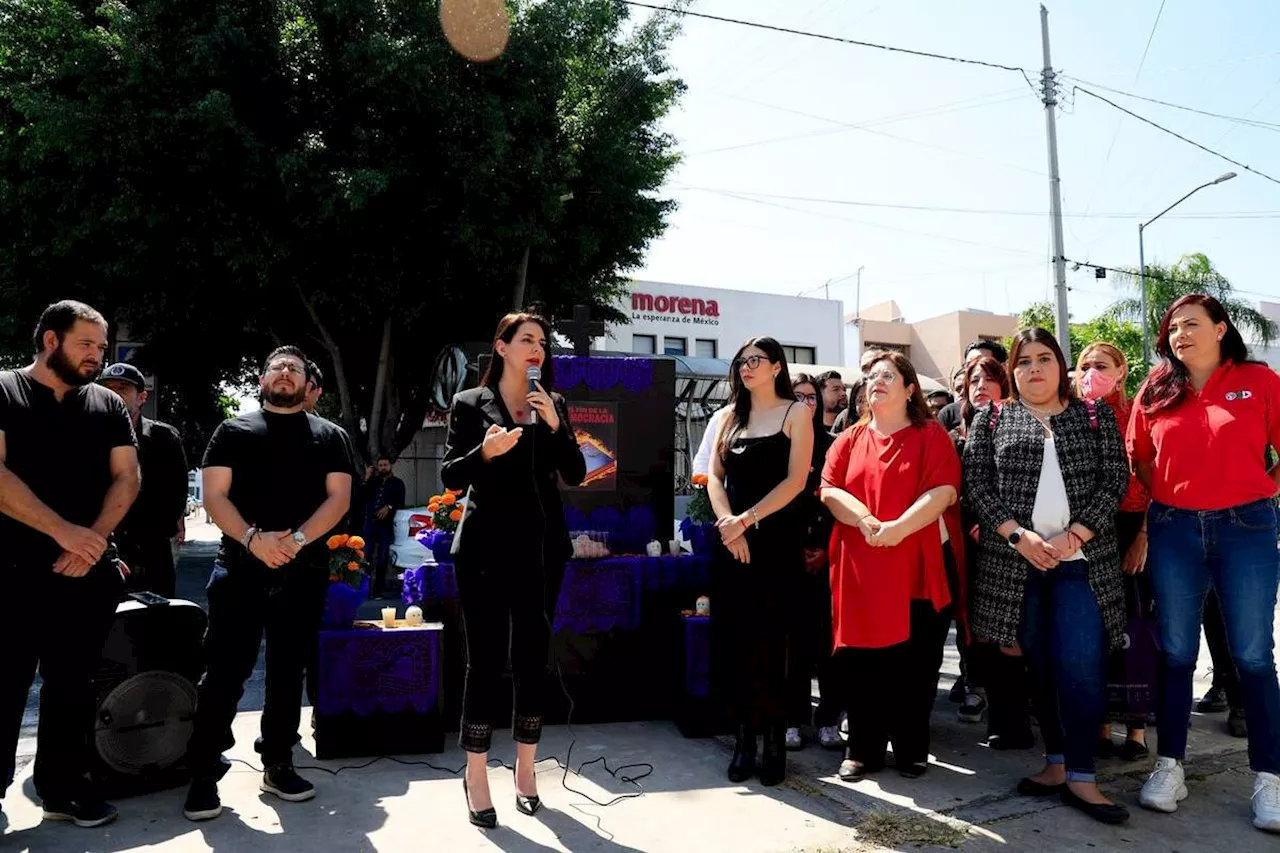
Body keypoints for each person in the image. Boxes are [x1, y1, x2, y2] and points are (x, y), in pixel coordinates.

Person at [964, 327, 1130, 825]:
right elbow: (976, 483)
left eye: (1044, 358)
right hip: (1017, 569)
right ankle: (1056, 764)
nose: (1034, 368)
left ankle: (1082, 774)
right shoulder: (994, 419)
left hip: (1081, 567)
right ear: (1012, 371)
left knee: (1081, 668)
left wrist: (1076, 534)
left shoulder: (1095, 415)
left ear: (1062, 366)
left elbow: (1115, 479)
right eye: (1023, 361)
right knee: (1039, 668)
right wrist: (1020, 537)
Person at [1127, 294, 1280, 832]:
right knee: (1175, 652)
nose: (1179, 335)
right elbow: (1140, 459)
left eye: (1191, 325)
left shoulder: (1259, 381)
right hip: (1175, 530)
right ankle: (1170, 766)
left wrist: (1262, 493)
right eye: (1172, 328)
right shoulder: (1156, 389)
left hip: (1249, 530)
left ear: (1221, 329)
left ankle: (1270, 776)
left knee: (1254, 655)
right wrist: (1171, 499)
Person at [182, 345, 353, 822]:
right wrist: (253, 539)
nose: (284, 373)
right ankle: (202, 773)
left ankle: (278, 762)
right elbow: (215, 495)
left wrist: (295, 541)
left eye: (293, 369)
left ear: (306, 384)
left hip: (304, 569)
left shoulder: (330, 436)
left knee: (287, 673)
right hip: (239, 566)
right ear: (261, 379)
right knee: (223, 672)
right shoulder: (233, 431)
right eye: (276, 367)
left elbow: (338, 500)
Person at [441, 313, 585, 828]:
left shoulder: (555, 404)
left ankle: (526, 771)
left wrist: (553, 425)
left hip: (542, 548)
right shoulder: (469, 404)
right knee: (483, 661)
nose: (537, 350)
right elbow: (451, 475)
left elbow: (576, 472)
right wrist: (486, 451)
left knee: (531, 658)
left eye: (542, 343)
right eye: (526, 340)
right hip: (483, 547)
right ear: (501, 347)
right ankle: (476, 774)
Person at [0, 301, 139, 829]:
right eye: (87, 344)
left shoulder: (106, 404)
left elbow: (127, 477)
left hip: (85, 571)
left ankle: (63, 788)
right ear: (51, 340)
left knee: (73, 685)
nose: (97, 356)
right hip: (10, 571)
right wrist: (66, 533)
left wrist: (93, 542)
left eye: (102, 347)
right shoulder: (4, 391)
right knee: (5, 683)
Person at [820, 350, 962, 782]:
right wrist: (866, 520)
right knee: (863, 664)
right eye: (871, 376)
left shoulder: (931, 435)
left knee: (916, 665)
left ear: (909, 389)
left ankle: (911, 747)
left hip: (917, 566)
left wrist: (899, 527)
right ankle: (862, 748)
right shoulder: (848, 437)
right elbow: (829, 489)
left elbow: (945, 491)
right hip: (863, 568)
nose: (875, 381)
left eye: (887, 375)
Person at [708, 337, 813, 787]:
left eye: (756, 360)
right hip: (733, 544)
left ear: (776, 367)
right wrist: (728, 525)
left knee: (776, 644)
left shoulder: (796, 413)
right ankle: (743, 739)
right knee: (737, 641)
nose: (746, 367)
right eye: (742, 361)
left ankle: (774, 741)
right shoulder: (728, 416)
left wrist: (747, 520)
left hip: (776, 545)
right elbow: (713, 475)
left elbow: (796, 481)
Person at [1074, 342, 1153, 762]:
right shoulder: (1072, 416)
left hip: (1133, 528)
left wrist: (1144, 534)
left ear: (1121, 371)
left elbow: (1160, 479)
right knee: (1096, 632)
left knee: (1137, 630)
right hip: (1088, 533)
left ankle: (1137, 728)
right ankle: (1102, 725)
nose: (1091, 374)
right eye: (1084, 366)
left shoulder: (1140, 415)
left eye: (1101, 366)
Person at [948, 356, 1013, 728]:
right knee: (969, 617)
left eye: (990, 379)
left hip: (1013, 540)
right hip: (967, 539)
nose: (981, 386)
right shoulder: (956, 433)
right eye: (974, 380)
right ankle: (974, 685)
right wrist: (973, 524)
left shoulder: (1019, 424)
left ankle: (1011, 697)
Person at [99, 363, 189, 598]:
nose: (114, 393)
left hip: (151, 550)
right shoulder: (84, 436)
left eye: (123, 388)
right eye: (108, 388)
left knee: (155, 623)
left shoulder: (164, 438)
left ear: (141, 397)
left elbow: (176, 494)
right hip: (100, 547)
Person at [785, 375, 841, 751]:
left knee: (827, 645)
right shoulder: (776, 445)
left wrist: (827, 550)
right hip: (786, 557)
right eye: (798, 397)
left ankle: (828, 720)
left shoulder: (835, 447)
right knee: (792, 647)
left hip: (828, 559)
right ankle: (792, 719)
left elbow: (844, 502)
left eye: (811, 397)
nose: (806, 403)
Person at [938, 340, 1009, 434]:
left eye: (982, 361)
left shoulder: (1020, 414)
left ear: (1003, 368)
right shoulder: (950, 414)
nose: (975, 367)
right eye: (968, 365)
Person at [362, 455, 405, 598]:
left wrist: (389, 507)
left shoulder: (397, 483)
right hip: (370, 524)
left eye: (385, 465)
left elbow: (400, 501)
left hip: (385, 526)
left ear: (390, 465)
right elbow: (360, 495)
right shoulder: (373, 482)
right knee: (365, 556)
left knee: (382, 558)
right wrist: (367, 477)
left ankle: (378, 591)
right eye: (380, 465)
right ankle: (365, 590)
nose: (382, 468)